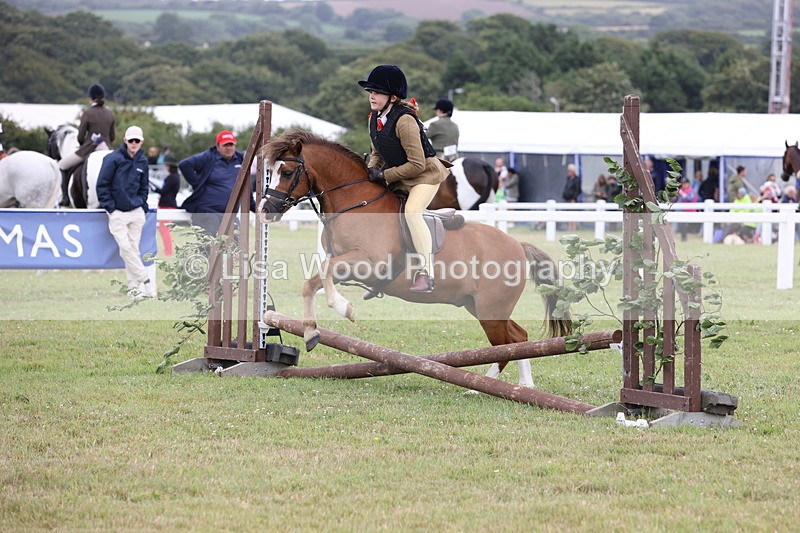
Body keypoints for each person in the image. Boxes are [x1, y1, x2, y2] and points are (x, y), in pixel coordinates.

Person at [359, 64, 450, 292]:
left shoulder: (405, 120)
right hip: (402, 175)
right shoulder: (374, 118)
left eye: (377, 92)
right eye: (371, 91)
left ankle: (427, 274)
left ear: (392, 96)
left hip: (425, 175)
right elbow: (377, 152)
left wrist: (385, 175)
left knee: (411, 212)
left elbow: (417, 164)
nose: (372, 96)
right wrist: (371, 170)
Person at [96, 126, 154, 298]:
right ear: (125, 141)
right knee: (125, 247)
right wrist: (111, 209)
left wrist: (141, 204)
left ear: (141, 142)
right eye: (131, 140)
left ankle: (133, 287)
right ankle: (146, 281)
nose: (134, 143)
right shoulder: (112, 158)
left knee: (133, 249)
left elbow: (144, 187)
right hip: (117, 212)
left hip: (136, 211)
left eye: (137, 140)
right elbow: (102, 185)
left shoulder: (143, 161)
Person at [179, 129, 253, 237]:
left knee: (237, 248)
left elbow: (246, 185)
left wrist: (255, 206)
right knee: (209, 250)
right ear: (218, 146)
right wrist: (198, 184)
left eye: (231, 144)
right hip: (207, 213)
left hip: (230, 214)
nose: (229, 148)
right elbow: (184, 165)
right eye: (225, 145)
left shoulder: (241, 159)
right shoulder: (209, 156)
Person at [58, 83, 115, 206]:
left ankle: (65, 197)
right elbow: (112, 137)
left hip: (89, 148)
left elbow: (80, 136)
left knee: (62, 165)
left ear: (91, 98)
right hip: (107, 148)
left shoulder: (88, 113)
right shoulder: (110, 113)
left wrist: (83, 144)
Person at [153, 155, 180, 256]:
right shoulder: (175, 177)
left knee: (164, 230)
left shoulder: (171, 178)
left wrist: (154, 189)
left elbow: (164, 191)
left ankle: (168, 251)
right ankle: (167, 251)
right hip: (169, 204)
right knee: (165, 229)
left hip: (167, 205)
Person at [562, 163, 581, 231]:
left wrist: (573, 199)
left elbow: (578, 190)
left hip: (573, 200)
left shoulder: (577, 179)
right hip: (567, 199)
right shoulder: (568, 179)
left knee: (573, 215)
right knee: (568, 214)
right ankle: (569, 228)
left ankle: (573, 228)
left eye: (569, 171)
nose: (568, 172)